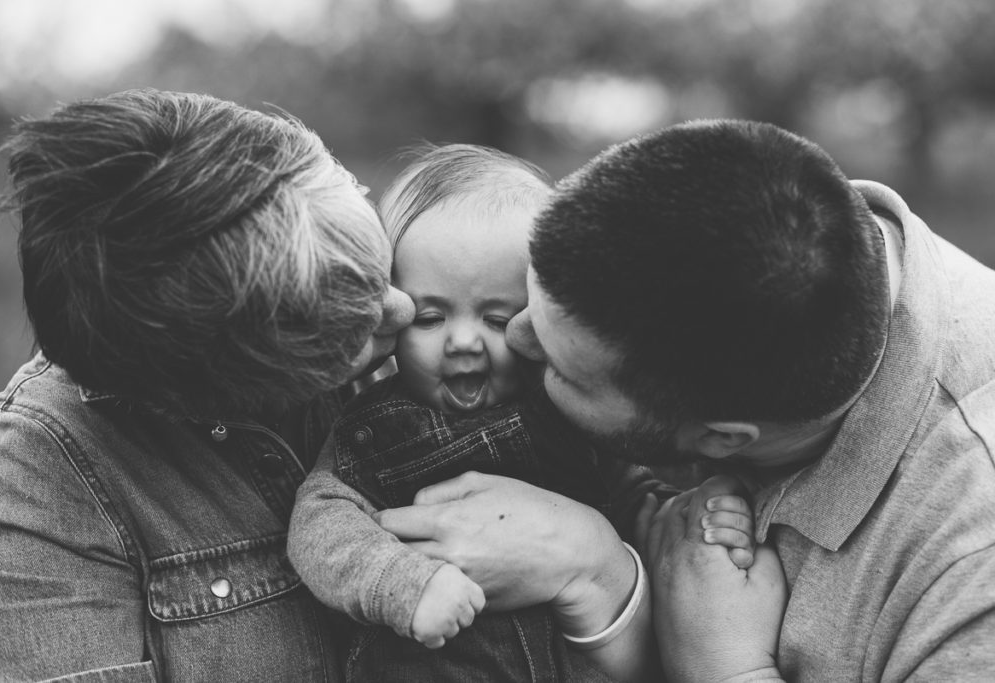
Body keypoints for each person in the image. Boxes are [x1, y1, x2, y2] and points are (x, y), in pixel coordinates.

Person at [375, 119, 995, 681]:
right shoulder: (710, 226)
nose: (511, 339)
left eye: (560, 366)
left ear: (721, 440)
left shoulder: (968, 569)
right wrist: (598, 570)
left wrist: (726, 667)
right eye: (525, 300)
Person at [0, 88, 422, 682]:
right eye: (349, 333)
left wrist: (585, 561)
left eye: (379, 269)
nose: (406, 309)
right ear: (214, 390)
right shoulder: (41, 478)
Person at [287, 143, 757, 682]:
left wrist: (691, 520)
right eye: (431, 317)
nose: (463, 342)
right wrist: (402, 584)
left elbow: (631, 500)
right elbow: (321, 526)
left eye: (496, 317)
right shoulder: (371, 429)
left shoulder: (571, 409)